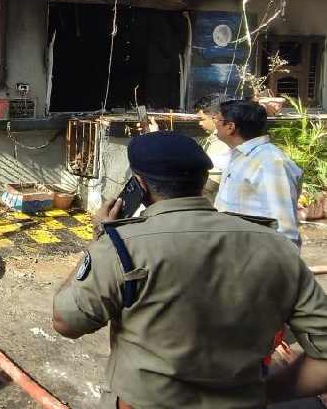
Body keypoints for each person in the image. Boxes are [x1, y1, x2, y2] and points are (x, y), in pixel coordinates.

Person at [52, 131, 327, 407]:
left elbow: (67, 323)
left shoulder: (120, 246)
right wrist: (260, 394)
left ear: (140, 185)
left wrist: (99, 239)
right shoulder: (276, 246)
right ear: (204, 180)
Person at [213, 99, 302, 246]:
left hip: (257, 253)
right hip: (235, 250)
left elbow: (284, 228)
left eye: (217, 119)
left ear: (230, 127)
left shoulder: (271, 162)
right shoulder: (238, 155)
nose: (214, 124)